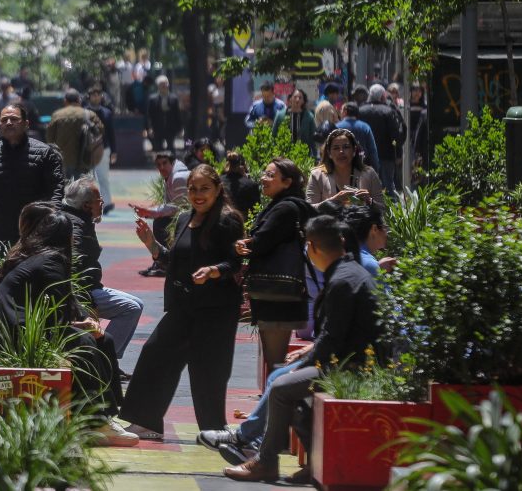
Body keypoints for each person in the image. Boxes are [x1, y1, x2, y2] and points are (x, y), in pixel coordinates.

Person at [223, 215, 379, 483]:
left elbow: (332, 340)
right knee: (290, 392)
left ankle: (265, 461)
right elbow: (336, 334)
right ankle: (314, 464)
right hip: (348, 359)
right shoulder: (348, 272)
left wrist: (304, 362)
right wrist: (305, 355)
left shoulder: (344, 280)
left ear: (312, 247)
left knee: (283, 388)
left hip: (354, 368)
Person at [0, 204, 137, 447]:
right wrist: (85, 326)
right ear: (67, 237)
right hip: (8, 328)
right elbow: (60, 314)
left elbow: (66, 303)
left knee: (103, 339)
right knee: (84, 344)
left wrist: (87, 321)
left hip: (9, 324)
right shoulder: (52, 260)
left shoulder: (41, 256)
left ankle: (104, 415)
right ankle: (95, 420)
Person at [121, 164, 245, 439]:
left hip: (215, 310)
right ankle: (145, 422)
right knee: (155, 355)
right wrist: (151, 244)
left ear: (217, 190)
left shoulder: (228, 220)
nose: (198, 195)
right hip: (183, 306)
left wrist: (214, 271)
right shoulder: (184, 219)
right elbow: (174, 262)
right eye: (192, 189)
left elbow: (235, 262)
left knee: (208, 371)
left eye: (204, 189)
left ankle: (213, 430)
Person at [235, 158, 315, 373]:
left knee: (276, 362)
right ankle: (275, 404)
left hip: (276, 294)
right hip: (280, 293)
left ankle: (278, 405)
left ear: (287, 182)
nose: (263, 178)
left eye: (270, 175)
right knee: (275, 361)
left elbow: (262, 242)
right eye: (264, 173)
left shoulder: (284, 210)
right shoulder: (285, 205)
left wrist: (245, 243)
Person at [0, 103, 65, 279]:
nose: (8, 123)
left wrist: (49, 222)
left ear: (26, 124)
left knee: (32, 283)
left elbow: (56, 189)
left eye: (14, 119)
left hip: (34, 232)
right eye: (4, 120)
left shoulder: (45, 153)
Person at [60, 177, 144, 361]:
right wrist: (88, 304)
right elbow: (74, 271)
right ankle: (104, 360)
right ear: (87, 205)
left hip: (91, 287)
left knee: (137, 304)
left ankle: (110, 358)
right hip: (85, 292)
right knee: (130, 308)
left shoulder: (80, 220)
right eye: (100, 201)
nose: (102, 205)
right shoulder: (77, 227)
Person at [133, 152, 190, 277]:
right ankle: (161, 262)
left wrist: (153, 212)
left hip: (189, 217)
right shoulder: (170, 176)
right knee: (160, 222)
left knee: (160, 223)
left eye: (165, 163)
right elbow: (172, 205)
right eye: (158, 164)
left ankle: (163, 263)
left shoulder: (178, 177)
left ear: (172, 163)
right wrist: (152, 212)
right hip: (184, 215)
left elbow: (180, 207)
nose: (162, 167)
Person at [306, 128, 385, 213]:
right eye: (336, 148)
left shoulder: (369, 174)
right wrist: (333, 201)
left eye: (346, 147)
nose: (341, 151)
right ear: (329, 153)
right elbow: (308, 209)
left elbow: (382, 209)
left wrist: (370, 201)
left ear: (354, 150)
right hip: (329, 225)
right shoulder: (317, 176)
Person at [46, 89, 105, 179]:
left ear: (65, 101)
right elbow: (100, 131)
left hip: (63, 160)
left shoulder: (57, 115)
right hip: (83, 160)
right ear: (79, 100)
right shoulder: (89, 115)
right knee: (81, 190)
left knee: (63, 190)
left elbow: (49, 138)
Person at [358, 83, 405, 193]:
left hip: (365, 156)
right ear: (383, 96)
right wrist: (398, 153)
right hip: (386, 156)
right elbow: (395, 135)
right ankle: (388, 209)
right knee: (387, 186)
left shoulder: (361, 111)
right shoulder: (388, 111)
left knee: (365, 187)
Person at [84, 86, 117, 212]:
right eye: (93, 94)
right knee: (88, 178)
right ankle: (87, 202)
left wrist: (114, 151)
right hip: (87, 150)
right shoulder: (84, 112)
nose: (96, 97)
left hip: (104, 148)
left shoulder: (107, 113)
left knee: (103, 177)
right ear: (89, 96)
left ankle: (107, 203)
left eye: (98, 94)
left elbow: (111, 133)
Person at [342, 204, 397, 276]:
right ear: (374, 229)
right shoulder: (369, 264)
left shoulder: (347, 257)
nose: (387, 232)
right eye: (384, 227)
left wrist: (378, 266)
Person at [336, 101, 380, 173]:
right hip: (361, 167)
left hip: (341, 167)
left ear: (345, 112)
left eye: (341, 110)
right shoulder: (365, 127)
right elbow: (372, 150)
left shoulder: (337, 127)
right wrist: (376, 168)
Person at [272, 87, 317, 157]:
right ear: (290, 99)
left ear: (303, 101)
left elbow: (313, 138)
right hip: (284, 155)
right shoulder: (280, 115)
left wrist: (315, 155)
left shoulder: (309, 117)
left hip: (303, 155)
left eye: (300, 98)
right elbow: (274, 135)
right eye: (295, 97)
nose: (297, 99)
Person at [146, 75, 182, 151]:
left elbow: (177, 114)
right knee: (158, 149)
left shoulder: (174, 98)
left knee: (171, 149)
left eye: (166, 84)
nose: (164, 86)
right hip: (157, 128)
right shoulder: (152, 99)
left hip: (170, 128)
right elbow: (149, 115)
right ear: (158, 86)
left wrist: (180, 129)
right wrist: (149, 128)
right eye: (162, 84)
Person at [220, 151, 260, 217]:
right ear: (242, 166)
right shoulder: (251, 185)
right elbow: (255, 211)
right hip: (242, 223)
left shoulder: (219, 182)